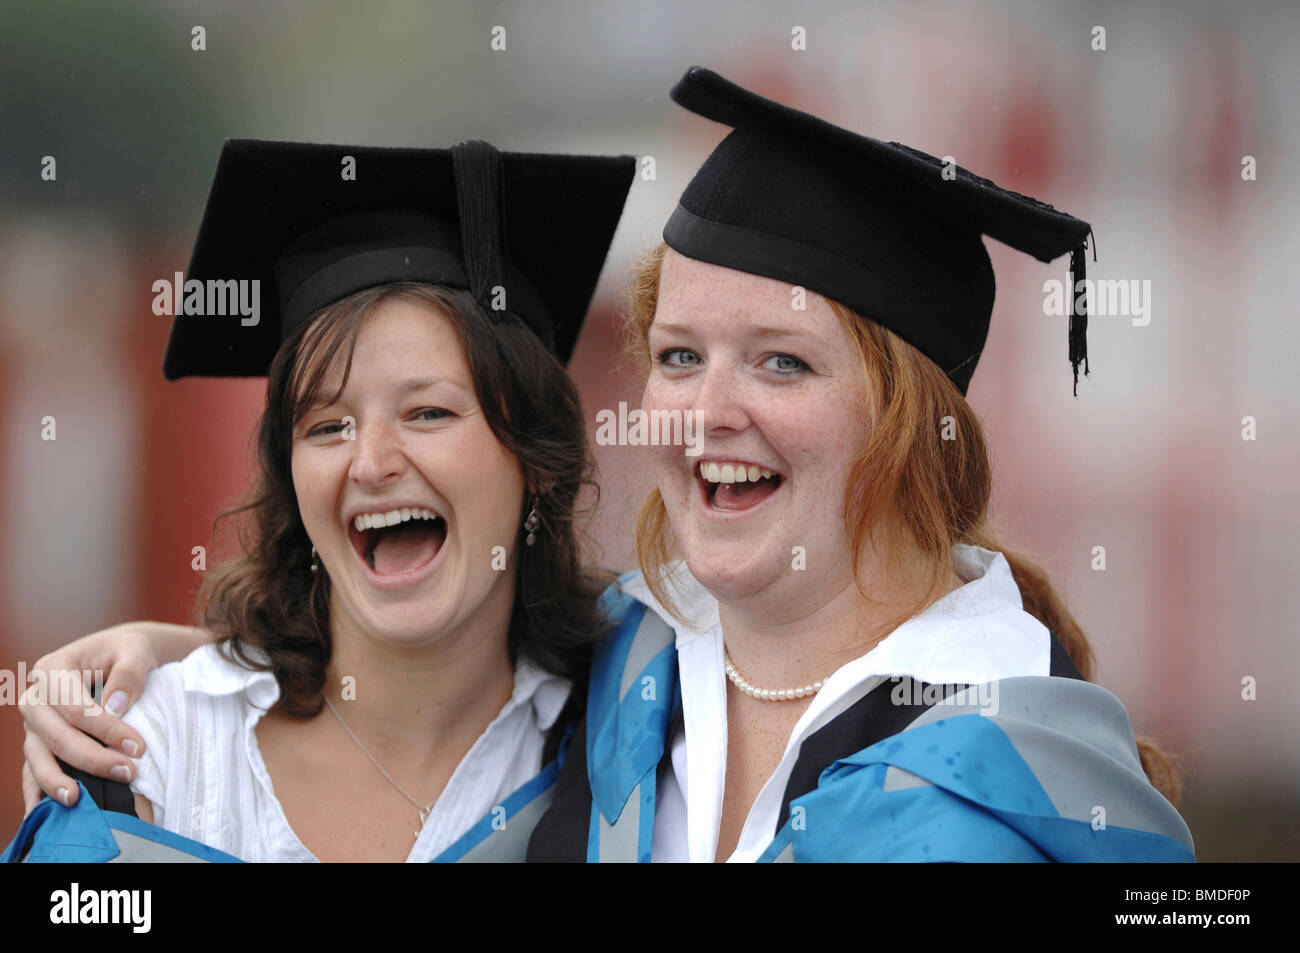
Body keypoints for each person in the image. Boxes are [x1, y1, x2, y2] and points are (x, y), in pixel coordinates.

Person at [524, 67, 1195, 862]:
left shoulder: (1000, 796)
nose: (706, 413)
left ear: (912, 422)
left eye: (782, 362)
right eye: (679, 356)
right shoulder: (602, 671)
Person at [5, 137, 634, 862]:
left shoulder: (626, 751)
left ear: (537, 460)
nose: (370, 463)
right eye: (328, 426)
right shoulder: (154, 752)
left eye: (428, 412)